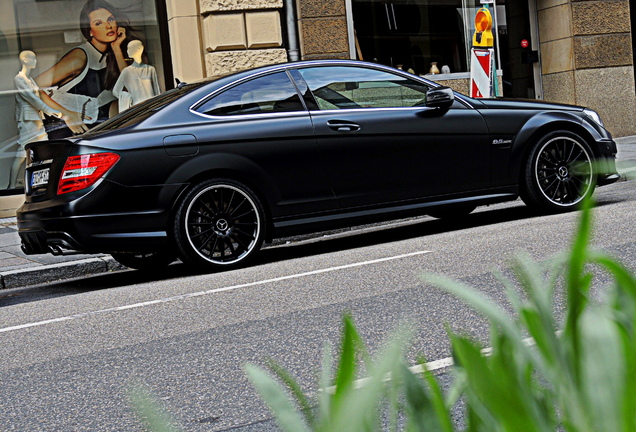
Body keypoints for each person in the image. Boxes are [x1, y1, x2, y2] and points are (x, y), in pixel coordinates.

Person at [34, 0, 142, 138]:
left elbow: (131, 88)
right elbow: (32, 87)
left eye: (110, 19)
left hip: (95, 131)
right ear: (90, 31)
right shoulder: (79, 57)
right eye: (99, 23)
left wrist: (116, 48)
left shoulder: (110, 55)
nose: (108, 26)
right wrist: (66, 115)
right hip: (68, 132)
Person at [10, 50, 62, 189]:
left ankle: (44, 182)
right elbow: (32, 99)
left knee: (44, 149)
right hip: (27, 120)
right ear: (25, 60)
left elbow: (36, 98)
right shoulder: (19, 79)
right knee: (22, 153)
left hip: (36, 119)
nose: (36, 61)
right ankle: (11, 185)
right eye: (33, 58)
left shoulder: (29, 79)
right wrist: (50, 110)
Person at [112, 40, 160, 112]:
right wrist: (128, 98)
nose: (127, 51)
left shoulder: (150, 69)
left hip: (151, 108)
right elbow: (116, 91)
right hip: (136, 109)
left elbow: (157, 91)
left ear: (139, 49)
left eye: (130, 48)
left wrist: (159, 107)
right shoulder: (127, 71)